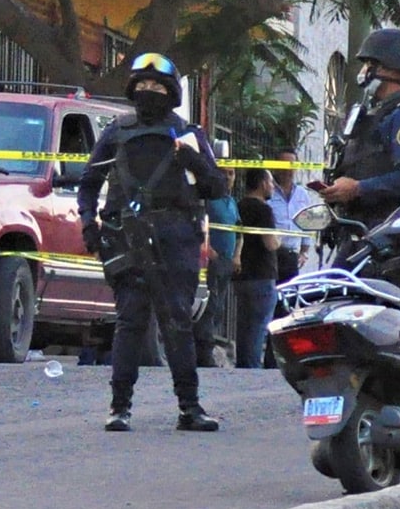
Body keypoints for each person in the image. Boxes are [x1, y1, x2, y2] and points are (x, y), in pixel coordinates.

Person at [77, 52, 227, 432]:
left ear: (171, 92)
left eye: (157, 87)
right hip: (126, 237)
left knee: (177, 323)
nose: (148, 92)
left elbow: (217, 189)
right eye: (142, 86)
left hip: (176, 237)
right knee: (129, 322)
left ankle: (189, 408)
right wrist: (89, 225)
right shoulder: (116, 131)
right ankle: (119, 408)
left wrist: (193, 159)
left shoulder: (188, 133)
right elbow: (88, 184)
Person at [320, 28, 400, 261]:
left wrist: (358, 188)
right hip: (364, 236)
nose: (364, 71)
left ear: (390, 68)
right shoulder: (376, 114)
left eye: (369, 64)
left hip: (388, 242)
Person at [192, 166, 242, 368]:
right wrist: (209, 250)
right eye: (224, 172)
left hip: (227, 262)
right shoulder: (208, 200)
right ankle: (203, 353)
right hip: (211, 261)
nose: (227, 177)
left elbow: (240, 232)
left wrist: (237, 256)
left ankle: (208, 347)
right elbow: (199, 224)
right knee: (209, 306)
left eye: (231, 173)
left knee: (218, 307)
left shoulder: (231, 202)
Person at [234, 169, 280, 368]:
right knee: (259, 327)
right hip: (262, 275)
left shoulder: (239, 206)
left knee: (244, 327)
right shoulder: (264, 210)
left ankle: (242, 365)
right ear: (262, 183)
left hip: (242, 275)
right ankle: (252, 369)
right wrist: (281, 242)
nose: (272, 187)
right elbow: (270, 243)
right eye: (270, 182)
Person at [269, 148, 313, 283]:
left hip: (292, 257)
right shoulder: (267, 191)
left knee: (291, 298)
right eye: (283, 165)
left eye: (291, 165)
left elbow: (307, 224)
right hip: (271, 256)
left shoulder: (302, 194)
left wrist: (304, 252)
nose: (287, 170)